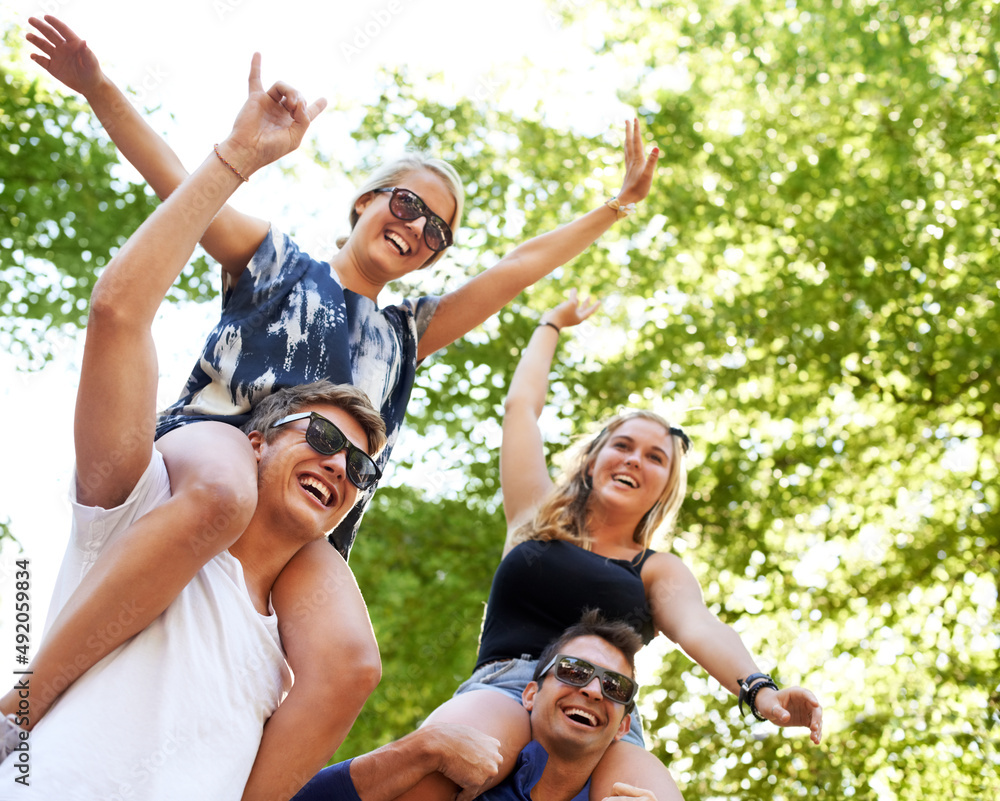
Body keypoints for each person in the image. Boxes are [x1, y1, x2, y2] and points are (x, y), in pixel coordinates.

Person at [2, 16, 659, 798]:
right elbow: (180, 183)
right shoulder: (278, 263)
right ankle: (21, 704)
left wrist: (613, 210)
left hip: (313, 509)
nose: (419, 230)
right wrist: (100, 88)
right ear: (367, 200)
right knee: (221, 493)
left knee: (351, 660)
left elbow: (516, 269)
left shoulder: (409, 331)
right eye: (410, 206)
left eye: (439, 232)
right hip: (223, 444)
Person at [0, 54, 385, 801]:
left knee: (355, 662)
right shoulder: (135, 512)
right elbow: (118, 311)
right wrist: (236, 157)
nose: (341, 467)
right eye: (326, 439)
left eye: (361, 468)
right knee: (215, 498)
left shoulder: (294, 655)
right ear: (259, 438)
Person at [379, 291, 824, 801]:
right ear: (592, 460)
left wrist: (759, 690)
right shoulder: (534, 516)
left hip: (605, 711)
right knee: (441, 761)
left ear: (666, 486)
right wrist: (551, 324)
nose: (635, 460)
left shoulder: (657, 570)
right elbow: (521, 408)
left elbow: (701, 628)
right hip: (508, 686)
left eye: (655, 457)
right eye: (623, 446)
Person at [291, 611, 657, 801]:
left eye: (614, 686)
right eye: (574, 671)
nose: (594, 690)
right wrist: (420, 749)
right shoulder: (457, 783)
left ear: (623, 728)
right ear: (530, 695)